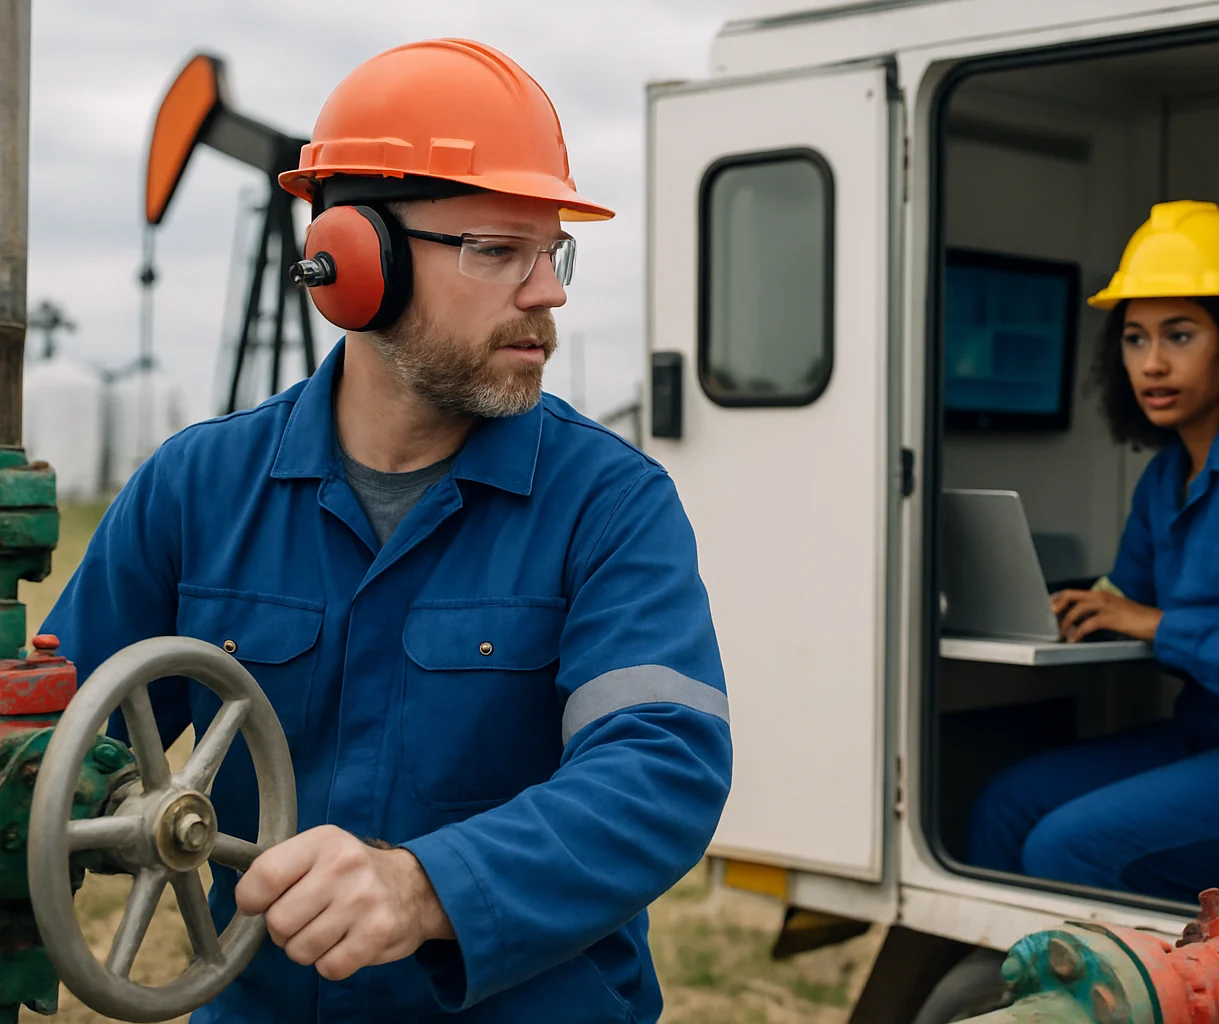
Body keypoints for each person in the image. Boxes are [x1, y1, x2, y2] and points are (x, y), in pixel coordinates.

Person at [42, 39, 731, 1023]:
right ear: (357, 265)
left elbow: (661, 766)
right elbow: (54, 747)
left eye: (553, 250)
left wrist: (425, 886)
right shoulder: (197, 488)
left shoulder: (611, 505)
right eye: (499, 249)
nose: (550, 292)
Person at [965, 200, 1219, 906]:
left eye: (1180, 334)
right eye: (1135, 339)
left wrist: (1157, 626)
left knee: (1062, 844)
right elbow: (1118, 597)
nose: (1153, 363)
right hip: (1198, 736)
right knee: (1003, 803)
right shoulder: (1166, 475)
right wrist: (1046, 606)